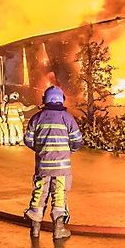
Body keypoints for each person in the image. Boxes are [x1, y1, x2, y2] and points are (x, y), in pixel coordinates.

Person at [23, 86, 84, 240]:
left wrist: (41, 150)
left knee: (39, 195)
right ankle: (59, 230)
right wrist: (69, 151)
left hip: (43, 167)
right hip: (62, 168)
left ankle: (35, 231)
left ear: (45, 99)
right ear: (61, 99)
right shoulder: (68, 118)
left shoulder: (37, 118)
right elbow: (77, 141)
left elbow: (28, 140)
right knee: (59, 196)